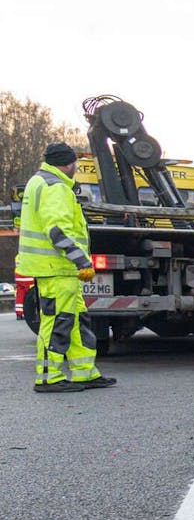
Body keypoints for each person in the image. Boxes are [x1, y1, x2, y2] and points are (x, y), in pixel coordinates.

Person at [15, 143, 116, 393]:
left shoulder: (40, 182)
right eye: (75, 165)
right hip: (56, 267)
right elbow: (57, 230)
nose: (76, 169)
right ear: (68, 163)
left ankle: (84, 373)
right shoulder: (55, 187)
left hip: (58, 269)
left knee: (75, 320)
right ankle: (49, 377)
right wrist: (80, 259)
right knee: (58, 321)